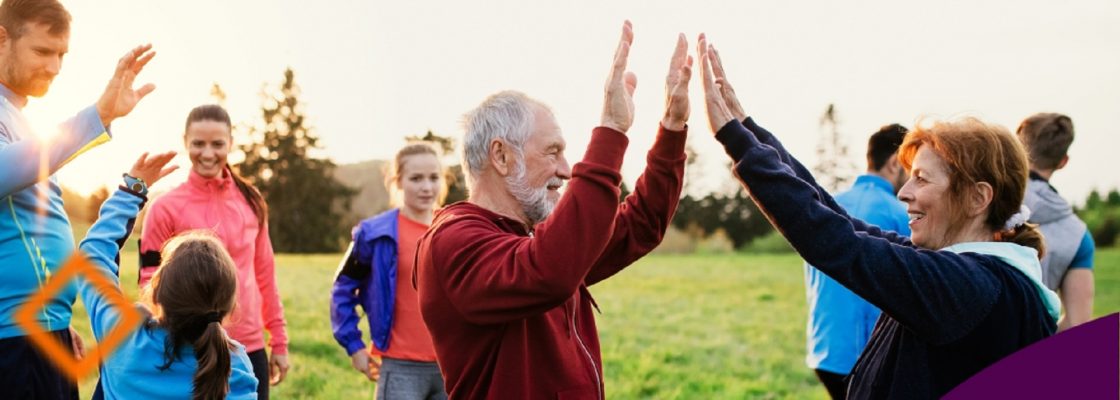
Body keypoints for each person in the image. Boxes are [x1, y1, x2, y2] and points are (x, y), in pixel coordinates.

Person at [697, 36, 1058, 398]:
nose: (903, 192)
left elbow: (838, 242)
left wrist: (734, 138)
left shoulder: (968, 287)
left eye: (922, 179)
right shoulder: (967, 273)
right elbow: (839, 219)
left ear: (977, 197)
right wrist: (749, 133)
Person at [415, 22, 690, 399]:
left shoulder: (534, 242)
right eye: (552, 152)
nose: (566, 169)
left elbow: (640, 225)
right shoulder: (452, 241)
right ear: (501, 156)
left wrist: (672, 130)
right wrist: (610, 130)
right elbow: (548, 271)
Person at [0, 0, 157, 397]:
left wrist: (56, 317)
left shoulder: (19, 115)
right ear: (2, 40)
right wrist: (99, 115)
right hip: (11, 342)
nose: (54, 67)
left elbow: (35, 226)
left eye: (61, 55)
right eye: (42, 51)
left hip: (42, 332)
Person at [77, 151, 258, 399]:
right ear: (230, 304)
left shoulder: (122, 337)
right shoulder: (234, 368)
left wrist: (133, 189)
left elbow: (93, 254)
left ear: (157, 288)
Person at [140, 105, 289, 399]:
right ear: (186, 142)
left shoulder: (251, 201)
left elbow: (265, 275)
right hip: (188, 348)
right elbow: (149, 283)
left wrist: (279, 342)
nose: (207, 153)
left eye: (217, 144)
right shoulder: (164, 208)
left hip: (249, 347)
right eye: (198, 143)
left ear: (230, 143)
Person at [331, 143, 449, 399]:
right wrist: (355, 347)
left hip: (451, 365)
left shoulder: (454, 231)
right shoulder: (373, 234)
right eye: (416, 178)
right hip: (399, 367)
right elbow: (342, 290)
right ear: (398, 181)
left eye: (433, 178)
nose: (427, 187)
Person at [803, 124, 910, 399]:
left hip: (824, 348)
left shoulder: (827, 204)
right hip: (866, 353)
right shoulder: (902, 214)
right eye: (912, 166)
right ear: (895, 163)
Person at [1016, 113, 1095, 331]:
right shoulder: (1079, 236)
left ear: (1016, 148)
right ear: (1063, 162)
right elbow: (1077, 324)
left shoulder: (981, 201)